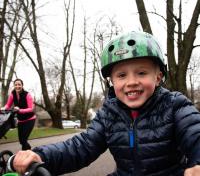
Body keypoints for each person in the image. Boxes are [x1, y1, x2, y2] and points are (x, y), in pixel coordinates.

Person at [10, 31, 200, 175]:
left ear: (158, 77)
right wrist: (40, 155)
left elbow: (195, 135)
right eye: (122, 75)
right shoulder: (109, 113)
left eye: (141, 73)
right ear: (112, 81)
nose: (131, 82)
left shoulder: (175, 105)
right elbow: (80, 147)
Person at [1, 78, 36, 150]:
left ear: (22, 85)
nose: (17, 86)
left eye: (19, 84)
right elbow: (8, 105)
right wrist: (3, 108)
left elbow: (31, 109)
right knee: (21, 141)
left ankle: (26, 154)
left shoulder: (27, 95)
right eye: (16, 85)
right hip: (20, 120)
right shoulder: (12, 94)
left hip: (30, 119)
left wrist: (19, 110)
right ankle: (29, 151)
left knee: (23, 140)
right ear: (14, 86)